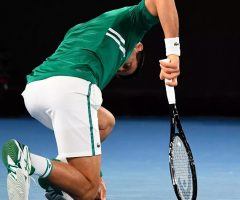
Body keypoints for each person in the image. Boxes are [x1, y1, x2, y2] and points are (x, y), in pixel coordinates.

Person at [1, 0, 181, 199]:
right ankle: (26, 160)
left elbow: (89, 128)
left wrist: (96, 173)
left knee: (105, 122)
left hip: (35, 92)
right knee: (88, 190)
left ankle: (59, 178)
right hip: (69, 87)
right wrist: (173, 53)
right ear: (138, 47)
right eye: (128, 66)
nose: (120, 68)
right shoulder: (131, 22)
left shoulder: (81, 30)